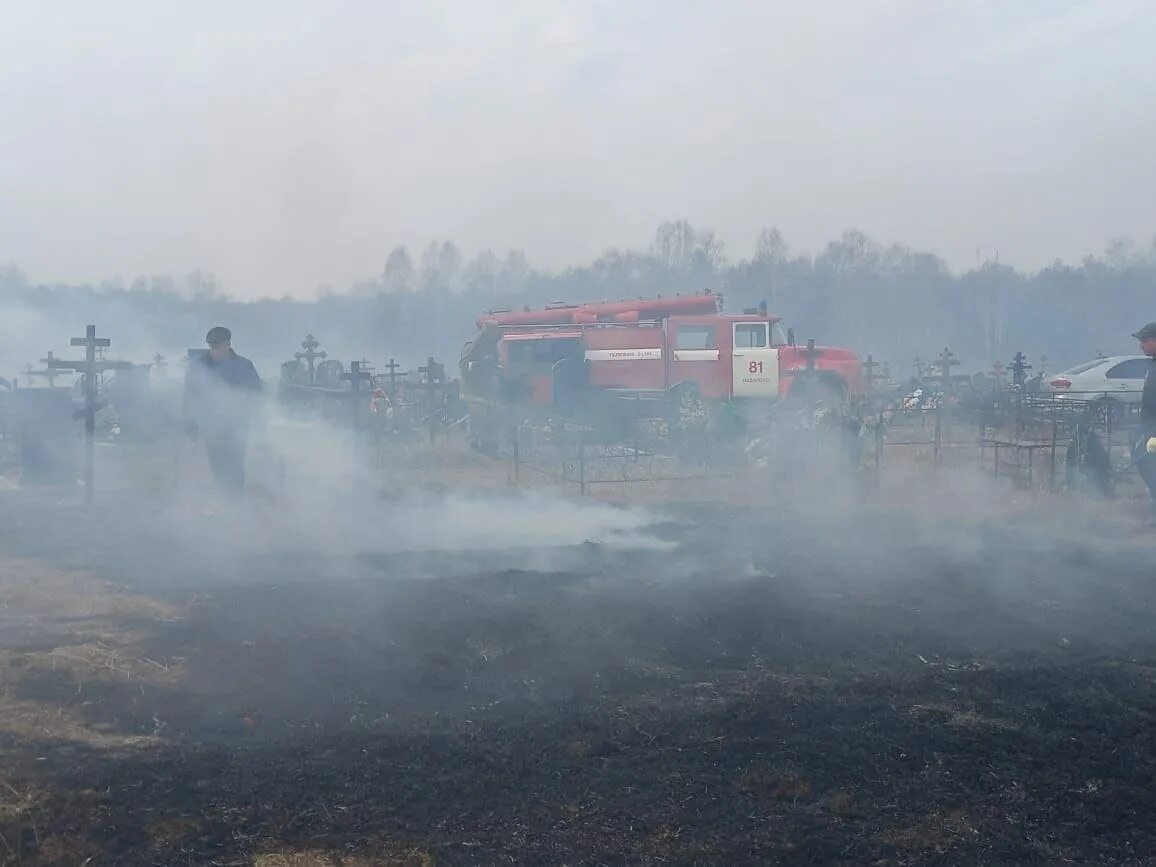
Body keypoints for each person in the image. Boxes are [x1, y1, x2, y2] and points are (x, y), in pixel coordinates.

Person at [183, 326, 262, 494]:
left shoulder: (244, 366)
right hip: (211, 424)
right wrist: (191, 426)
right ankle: (225, 494)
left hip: (237, 423)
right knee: (217, 461)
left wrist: (258, 421)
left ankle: (236, 497)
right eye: (212, 348)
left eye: (219, 347)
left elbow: (255, 394)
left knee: (235, 460)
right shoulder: (199, 367)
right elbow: (189, 396)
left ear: (228, 344)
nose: (215, 352)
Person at [1132, 322, 1156, 510]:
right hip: (1148, 427)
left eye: (1145, 341)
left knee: (1149, 465)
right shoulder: (1152, 363)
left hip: (1154, 429)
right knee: (1145, 463)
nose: (1141, 345)